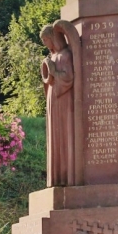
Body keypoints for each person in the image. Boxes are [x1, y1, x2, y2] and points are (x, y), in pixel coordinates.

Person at [40, 25, 75, 186]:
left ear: (53, 38)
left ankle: (67, 174)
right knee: (54, 133)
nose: (45, 44)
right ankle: (57, 176)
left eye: (46, 40)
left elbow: (68, 78)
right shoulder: (53, 56)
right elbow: (49, 79)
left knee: (63, 130)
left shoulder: (66, 55)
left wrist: (54, 73)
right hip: (52, 97)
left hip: (62, 98)